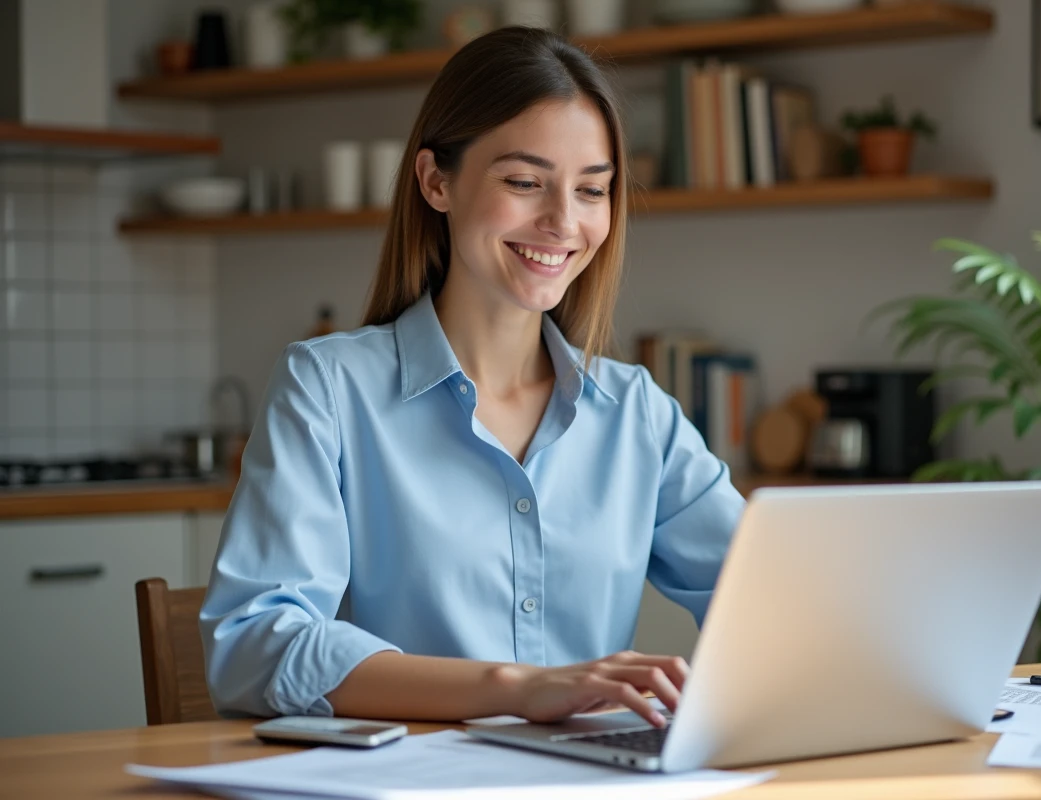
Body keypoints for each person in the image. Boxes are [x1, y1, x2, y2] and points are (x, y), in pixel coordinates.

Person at [199, 27, 744, 730]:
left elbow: (774, 606)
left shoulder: (637, 413)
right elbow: (252, 649)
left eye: (592, 190)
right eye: (524, 183)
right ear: (436, 181)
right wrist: (518, 688)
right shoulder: (328, 389)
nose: (563, 221)